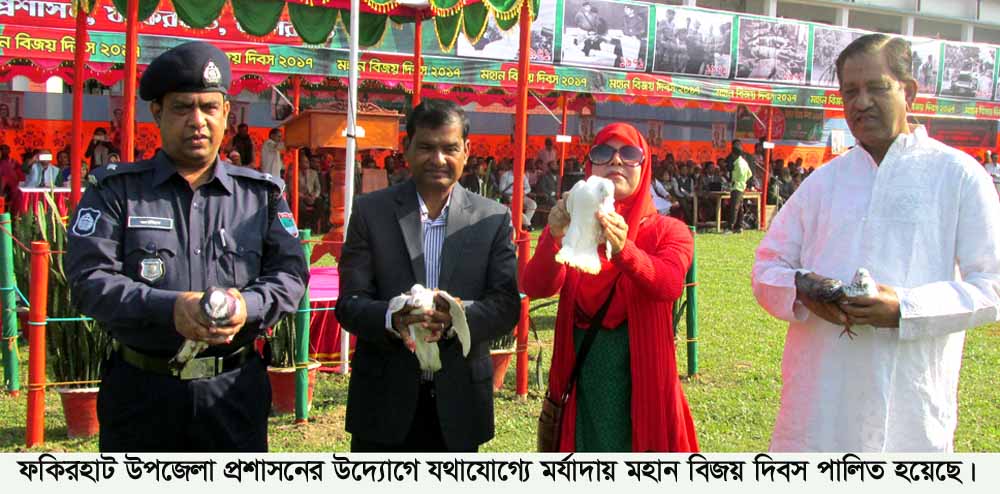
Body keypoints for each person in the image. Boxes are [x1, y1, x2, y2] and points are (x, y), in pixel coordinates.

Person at [752, 34, 1000, 452]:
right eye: (850, 92)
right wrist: (804, 287)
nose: (861, 102)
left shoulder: (957, 175)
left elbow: (990, 284)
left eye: (877, 87)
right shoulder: (823, 182)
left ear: (910, 92)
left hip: (908, 395)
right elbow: (767, 266)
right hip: (820, 398)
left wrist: (905, 308)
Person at [65, 41, 309, 452]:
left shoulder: (261, 196)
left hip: (234, 393)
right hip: (142, 394)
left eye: (209, 107)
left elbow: (290, 275)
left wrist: (247, 306)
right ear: (157, 112)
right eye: (182, 108)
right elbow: (89, 280)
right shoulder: (116, 192)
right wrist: (169, 308)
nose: (198, 121)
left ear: (226, 113)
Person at [335, 100, 520, 452]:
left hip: (460, 403)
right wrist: (392, 317)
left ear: (466, 151)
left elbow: (506, 305)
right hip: (384, 404)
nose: (438, 159)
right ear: (407, 148)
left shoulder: (492, 218)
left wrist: (457, 318)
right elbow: (349, 303)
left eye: (449, 148)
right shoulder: (371, 212)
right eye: (426, 147)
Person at [523, 123, 698, 452]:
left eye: (629, 154)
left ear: (644, 167)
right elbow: (535, 285)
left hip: (642, 381)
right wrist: (554, 237)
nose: (616, 161)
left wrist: (623, 251)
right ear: (590, 166)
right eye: (604, 153)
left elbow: (669, 283)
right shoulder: (574, 226)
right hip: (582, 380)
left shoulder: (669, 231)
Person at [727, 143, 752, 234]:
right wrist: (743, 181)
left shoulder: (738, 163)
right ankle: (739, 226)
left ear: (734, 154)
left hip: (736, 186)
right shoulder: (744, 162)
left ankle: (730, 227)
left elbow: (740, 174)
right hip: (742, 186)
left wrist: (737, 180)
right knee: (740, 207)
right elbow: (750, 174)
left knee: (734, 207)